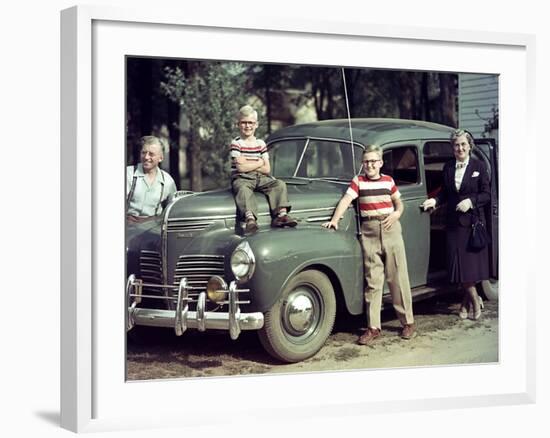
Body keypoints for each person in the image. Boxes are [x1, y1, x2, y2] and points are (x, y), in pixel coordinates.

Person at [322, 145, 416, 345]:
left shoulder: (389, 181)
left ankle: (408, 323)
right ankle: (373, 327)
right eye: (366, 162)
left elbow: (399, 204)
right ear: (362, 163)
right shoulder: (358, 181)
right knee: (373, 281)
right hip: (369, 231)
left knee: (397, 277)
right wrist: (335, 220)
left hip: (390, 228)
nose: (370, 165)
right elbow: (346, 200)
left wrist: (396, 214)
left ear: (380, 163)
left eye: (373, 161)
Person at [421, 129, 490, 320]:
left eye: (463, 144)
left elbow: (486, 194)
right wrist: (434, 201)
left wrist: (471, 202)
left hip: (472, 223)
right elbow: (445, 192)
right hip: (453, 224)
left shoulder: (479, 166)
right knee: (458, 266)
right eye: (456, 145)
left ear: (470, 146)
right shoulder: (448, 167)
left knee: (469, 267)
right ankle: (474, 300)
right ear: (453, 148)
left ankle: (467, 303)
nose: (460, 148)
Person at [230, 104, 297, 234]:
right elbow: (240, 168)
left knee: (279, 184)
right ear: (238, 124)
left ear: (256, 125)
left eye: (250, 122)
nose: (247, 126)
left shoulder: (260, 143)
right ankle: (250, 219)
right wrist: (259, 161)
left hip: (261, 177)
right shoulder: (236, 143)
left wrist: (248, 161)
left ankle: (281, 215)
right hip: (242, 178)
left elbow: (267, 169)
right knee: (243, 190)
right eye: (244, 122)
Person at [126, 135, 177, 222]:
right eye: (143, 152)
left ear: (160, 158)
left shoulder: (167, 181)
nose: (146, 157)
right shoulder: (128, 174)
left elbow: (172, 210)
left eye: (151, 154)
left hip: (153, 228)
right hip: (127, 227)